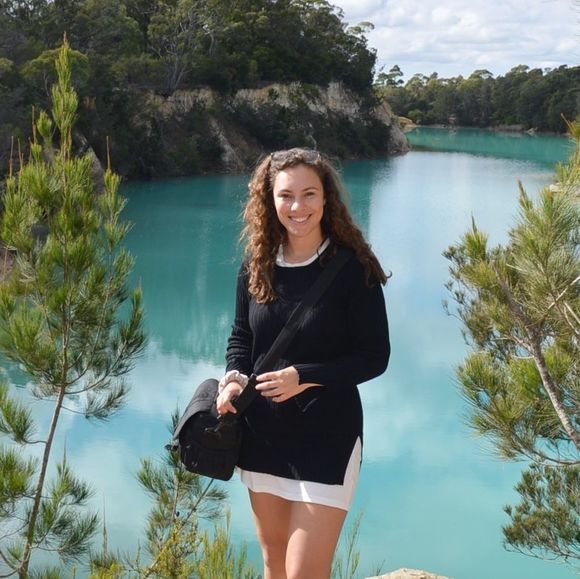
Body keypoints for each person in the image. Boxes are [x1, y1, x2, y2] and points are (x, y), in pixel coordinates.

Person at [216, 148, 390, 579]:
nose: (298, 207)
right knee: (274, 562)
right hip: (263, 434)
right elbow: (241, 336)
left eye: (309, 194)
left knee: (303, 573)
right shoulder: (256, 265)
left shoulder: (354, 270)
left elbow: (375, 357)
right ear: (270, 201)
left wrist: (305, 378)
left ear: (326, 198)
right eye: (286, 195)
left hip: (328, 438)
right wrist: (233, 380)